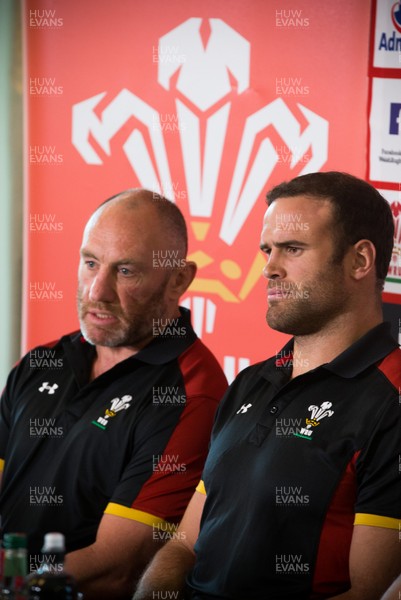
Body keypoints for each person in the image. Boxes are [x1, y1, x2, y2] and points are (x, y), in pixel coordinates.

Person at [134, 172, 401, 600]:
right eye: (267, 250)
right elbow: (186, 542)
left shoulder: (392, 400)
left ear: (360, 261)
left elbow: (368, 592)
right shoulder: (248, 383)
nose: (269, 268)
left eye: (292, 250)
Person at [0, 189, 228, 599]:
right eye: (90, 264)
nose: (96, 291)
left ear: (179, 279)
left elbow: (116, 568)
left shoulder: (192, 393)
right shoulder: (42, 362)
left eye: (126, 272)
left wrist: (12, 581)